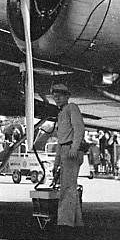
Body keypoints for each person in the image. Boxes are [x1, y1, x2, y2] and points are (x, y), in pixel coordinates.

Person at [51, 83, 85, 229]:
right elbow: (60, 140)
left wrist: (74, 147)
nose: (57, 98)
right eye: (55, 96)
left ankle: (65, 223)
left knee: (68, 188)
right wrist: (56, 162)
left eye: (60, 95)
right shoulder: (62, 113)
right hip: (65, 150)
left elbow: (79, 128)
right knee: (68, 186)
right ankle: (76, 222)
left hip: (71, 150)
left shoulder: (72, 108)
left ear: (67, 96)